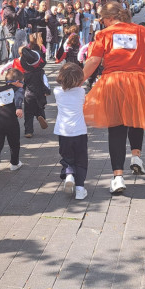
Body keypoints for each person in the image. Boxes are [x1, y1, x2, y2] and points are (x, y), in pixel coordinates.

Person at [82, 1, 145, 193]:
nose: (102, 23)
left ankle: (118, 177)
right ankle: (136, 156)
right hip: (139, 82)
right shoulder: (142, 32)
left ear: (110, 18)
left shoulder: (104, 34)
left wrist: (77, 81)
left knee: (117, 128)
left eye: (103, 19)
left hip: (114, 82)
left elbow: (93, 61)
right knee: (136, 119)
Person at [54, 63, 89, 200]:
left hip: (63, 132)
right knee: (81, 160)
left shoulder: (57, 92)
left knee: (67, 158)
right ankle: (80, 189)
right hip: (79, 131)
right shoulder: (81, 92)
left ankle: (69, 175)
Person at [0, 68, 25, 179]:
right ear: (18, 82)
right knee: (14, 144)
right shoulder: (18, 90)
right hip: (12, 122)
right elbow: (19, 98)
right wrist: (18, 107)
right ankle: (14, 163)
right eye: (22, 82)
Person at [20, 49, 50, 138]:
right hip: (40, 94)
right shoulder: (41, 72)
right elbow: (45, 82)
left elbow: (22, 85)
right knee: (40, 108)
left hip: (28, 95)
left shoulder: (25, 74)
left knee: (28, 114)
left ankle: (28, 131)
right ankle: (41, 116)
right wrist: (47, 91)